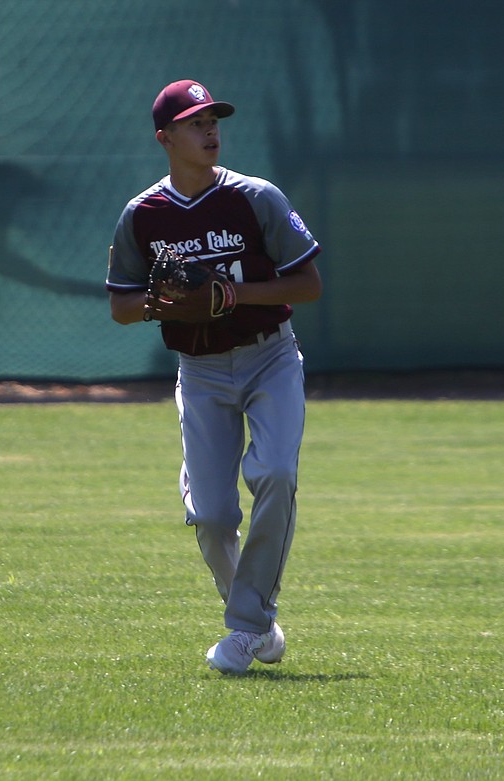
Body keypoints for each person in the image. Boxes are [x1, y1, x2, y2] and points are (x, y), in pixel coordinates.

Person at [105, 79, 323, 674]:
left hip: (269, 357)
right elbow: (122, 305)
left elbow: (308, 284)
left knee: (275, 472)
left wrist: (229, 294)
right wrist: (165, 305)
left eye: (214, 120)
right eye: (196, 122)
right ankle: (258, 620)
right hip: (198, 371)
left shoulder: (256, 198)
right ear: (165, 137)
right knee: (211, 517)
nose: (210, 131)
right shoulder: (143, 214)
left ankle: (247, 626)